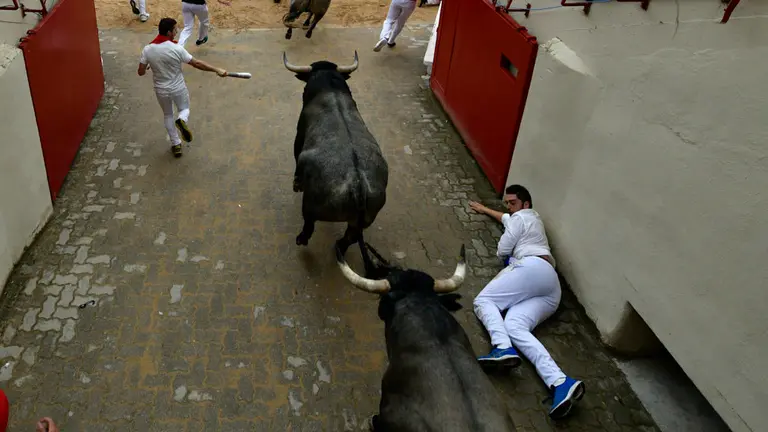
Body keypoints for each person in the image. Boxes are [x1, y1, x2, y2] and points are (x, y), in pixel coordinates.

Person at [469, 185, 585, 420]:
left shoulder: (521, 217)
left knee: (484, 300)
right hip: (550, 288)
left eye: (512, 202)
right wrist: (484, 209)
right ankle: (560, 382)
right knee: (515, 327)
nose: (509, 207)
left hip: (531, 268)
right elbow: (506, 218)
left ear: (526, 203)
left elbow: (505, 241)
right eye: (507, 204)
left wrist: (503, 255)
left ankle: (501, 347)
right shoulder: (529, 219)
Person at [137, 18, 229, 157]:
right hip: (178, 87)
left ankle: (176, 144)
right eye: (175, 29)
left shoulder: (148, 49)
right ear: (169, 32)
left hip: (161, 89)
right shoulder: (177, 49)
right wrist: (216, 69)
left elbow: (140, 72)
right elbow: (197, 64)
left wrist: (149, 64)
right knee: (184, 109)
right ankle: (182, 120)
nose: (177, 31)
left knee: (168, 115)